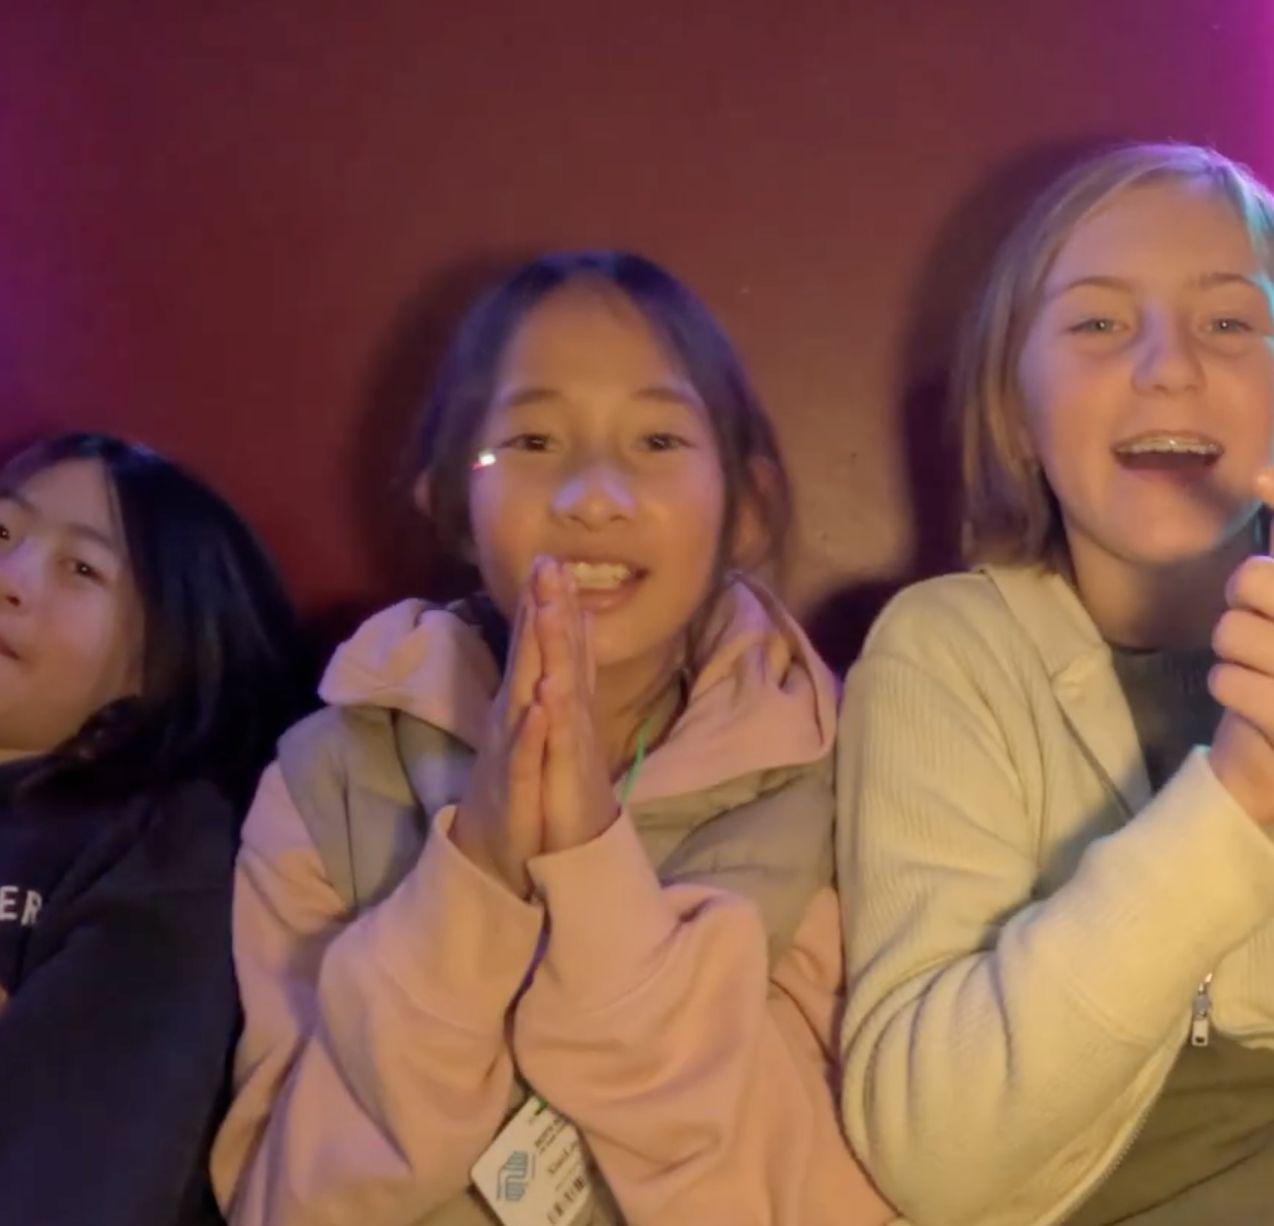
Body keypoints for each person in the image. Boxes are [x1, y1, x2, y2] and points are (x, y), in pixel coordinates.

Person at [212, 251, 895, 1224]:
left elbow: (812, 1198)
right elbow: (286, 1202)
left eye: (657, 438)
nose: (593, 495)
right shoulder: (329, 782)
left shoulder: (829, 790)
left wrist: (590, 866)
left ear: (743, 509)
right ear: (450, 502)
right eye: (531, 439)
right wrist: (478, 868)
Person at [837, 143, 1274, 1225]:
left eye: (1228, 321)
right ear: (1016, 412)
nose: (1167, 367)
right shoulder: (945, 653)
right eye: (1098, 323)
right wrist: (1237, 798)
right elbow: (930, 1154)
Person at [0, 431, 311, 1224]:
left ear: (160, 655)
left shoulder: (154, 844)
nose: (10, 578)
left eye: (81, 569)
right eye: (1, 531)